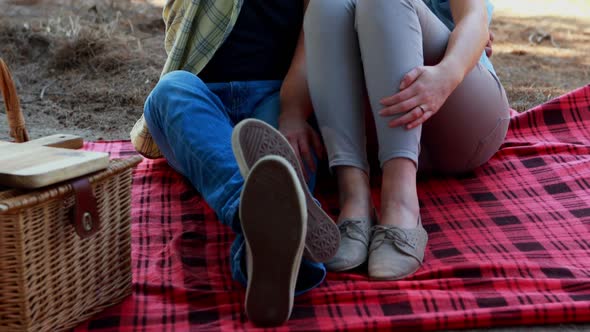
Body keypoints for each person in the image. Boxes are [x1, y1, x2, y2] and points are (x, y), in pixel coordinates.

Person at [131, 0, 339, 327]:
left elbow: (316, 32)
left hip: (276, 98)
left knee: (286, 156)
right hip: (200, 97)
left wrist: (294, 111)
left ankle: (256, 256)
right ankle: (270, 213)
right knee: (167, 92)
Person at [304, 0, 510, 279]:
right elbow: (306, 49)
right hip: (377, 131)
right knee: (326, 4)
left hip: (458, 110)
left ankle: (402, 206)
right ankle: (354, 200)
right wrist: (292, 111)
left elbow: (474, 18)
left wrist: (446, 76)